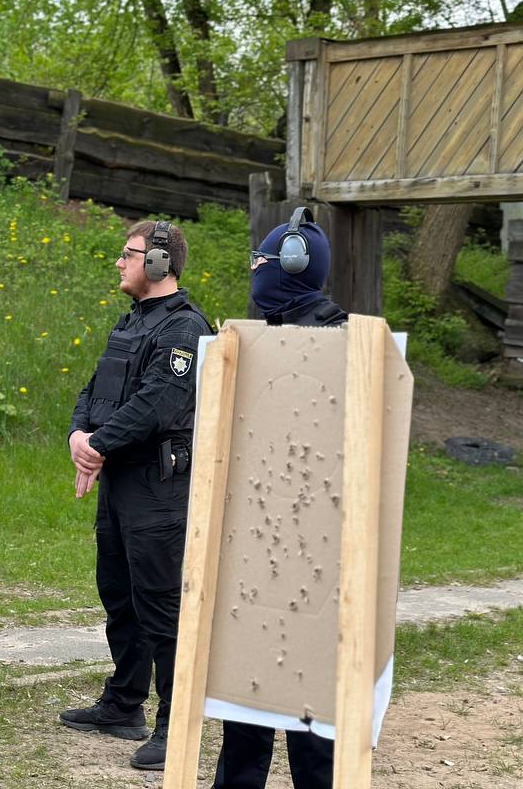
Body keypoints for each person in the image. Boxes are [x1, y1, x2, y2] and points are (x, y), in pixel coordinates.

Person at [60, 220, 212, 771]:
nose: (120, 263)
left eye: (130, 254)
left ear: (159, 264)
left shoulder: (185, 329)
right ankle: (125, 705)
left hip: (158, 487)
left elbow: (158, 405)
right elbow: (93, 389)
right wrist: (80, 436)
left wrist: (96, 446)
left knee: (161, 606)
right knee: (119, 595)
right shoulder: (133, 323)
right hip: (121, 483)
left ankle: (176, 726)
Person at [213, 207, 339, 789]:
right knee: (249, 692)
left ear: (289, 266)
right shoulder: (248, 342)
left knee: (311, 703)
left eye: (261, 262)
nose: (256, 272)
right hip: (256, 541)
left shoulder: (344, 344)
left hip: (315, 549)